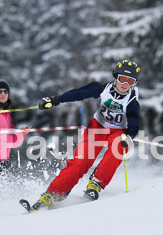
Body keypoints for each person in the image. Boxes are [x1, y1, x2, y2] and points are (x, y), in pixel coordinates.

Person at [28, 59, 141, 211]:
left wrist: (129, 136)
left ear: (134, 84)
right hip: (97, 127)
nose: (125, 84)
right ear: (115, 77)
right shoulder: (103, 89)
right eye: (122, 79)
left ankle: (96, 183)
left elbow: (134, 120)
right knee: (80, 162)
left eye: (130, 81)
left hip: (118, 131)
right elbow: (79, 93)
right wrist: (55, 100)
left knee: (118, 148)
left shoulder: (132, 99)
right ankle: (53, 193)